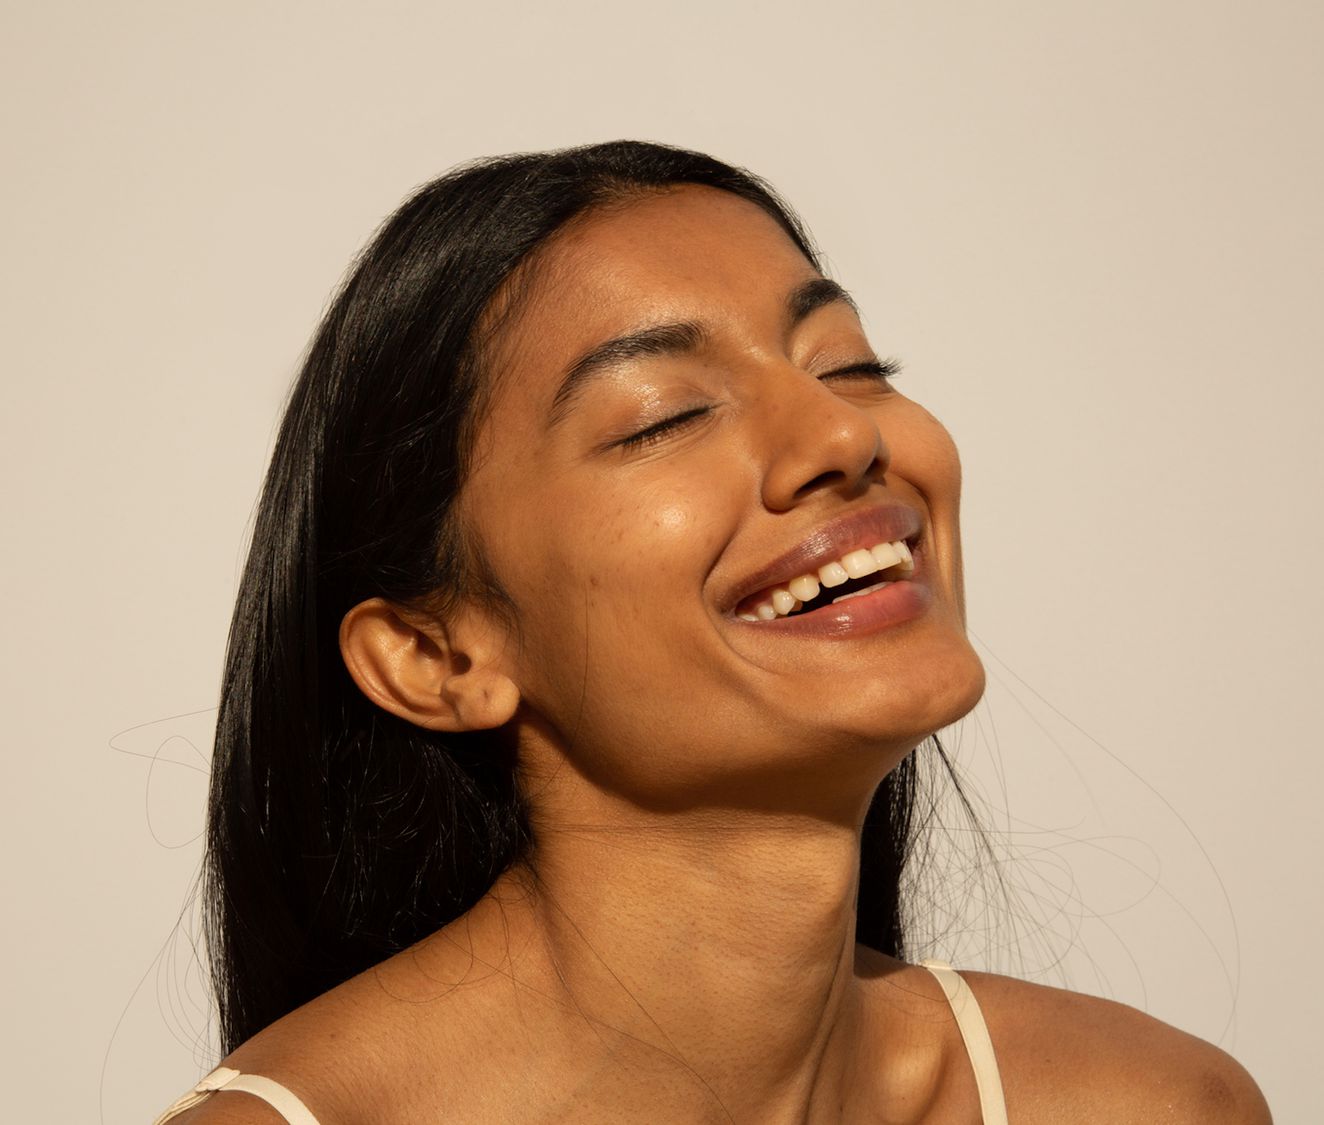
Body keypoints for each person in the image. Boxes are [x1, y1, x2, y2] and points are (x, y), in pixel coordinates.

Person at [154, 141, 1270, 1123]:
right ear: (436, 657)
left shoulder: (1156, 1108)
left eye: (851, 366)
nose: (841, 429)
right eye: (667, 415)